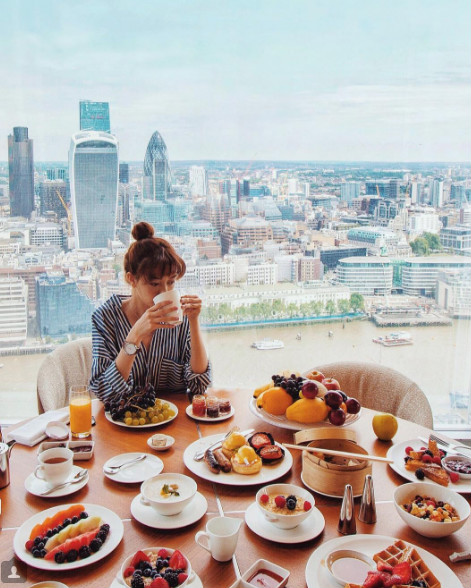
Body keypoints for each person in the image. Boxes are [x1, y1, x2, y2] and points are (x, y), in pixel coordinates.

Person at [90, 222, 211, 403]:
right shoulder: (105, 318)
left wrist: (193, 322)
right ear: (132, 279)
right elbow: (103, 392)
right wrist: (135, 335)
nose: (164, 291)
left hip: (175, 423)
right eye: (154, 284)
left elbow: (199, 385)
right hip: (124, 424)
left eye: (170, 282)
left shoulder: (178, 315)